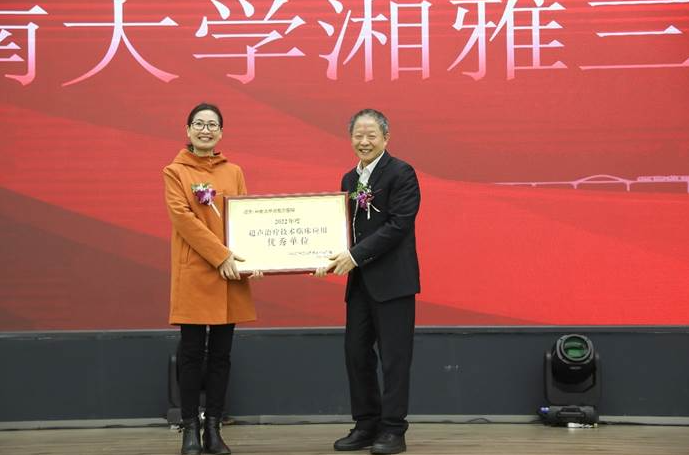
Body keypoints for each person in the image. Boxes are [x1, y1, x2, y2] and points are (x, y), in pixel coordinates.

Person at [317, 109, 421, 454]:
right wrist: (321, 255)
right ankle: (366, 424)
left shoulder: (401, 173)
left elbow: (398, 225)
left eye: (371, 135)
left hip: (394, 282)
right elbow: (342, 227)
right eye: (358, 135)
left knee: (394, 359)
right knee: (356, 355)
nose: (364, 141)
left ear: (386, 138)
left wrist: (354, 256)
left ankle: (393, 430)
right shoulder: (349, 179)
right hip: (360, 284)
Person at [163, 103, 259, 455]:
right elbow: (183, 220)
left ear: (221, 132)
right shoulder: (174, 171)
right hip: (197, 272)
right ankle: (190, 428)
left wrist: (254, 258)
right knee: (191, 354)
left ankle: (214, 429)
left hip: (230, 274)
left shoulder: (234, 171)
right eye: (199, 124)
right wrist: (222, 256)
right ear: (187, 130)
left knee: (221, 355)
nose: (206, 130)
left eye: (212, 125)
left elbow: (245, 219)